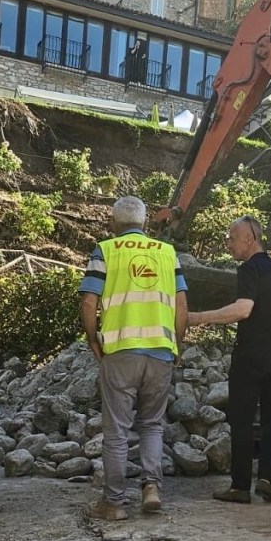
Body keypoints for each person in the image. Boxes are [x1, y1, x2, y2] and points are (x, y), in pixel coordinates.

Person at [79, 196, 188, 520]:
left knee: (117, 431)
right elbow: (182, 305)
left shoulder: (106, 250)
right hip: (160, 351)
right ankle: (151, 487)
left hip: (120, 352)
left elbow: (88, 301)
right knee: (152, 425)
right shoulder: (167, 253)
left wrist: (93, 339)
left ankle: (113, 503)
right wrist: (177, 344)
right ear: (144, 222)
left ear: (114, 223)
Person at [187, 215, 271, 504]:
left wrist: (198, 318)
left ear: (249, 238)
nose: (228, 244)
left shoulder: (249, 269)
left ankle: (240, 487)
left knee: (242, 420)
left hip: (251, 356)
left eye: (232, 238)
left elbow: (243, 309)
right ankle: (267, 479)